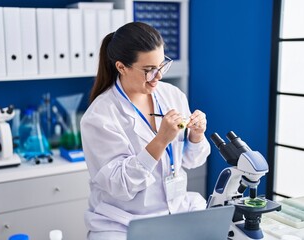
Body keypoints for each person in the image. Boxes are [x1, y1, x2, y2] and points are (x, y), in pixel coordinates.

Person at [80, 22, 211, 240]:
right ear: (121, 67)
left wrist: (196, 136)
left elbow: (190, 161)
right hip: (122, 223)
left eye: (161, 66)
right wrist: (160, 142)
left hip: (174, 213)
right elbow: (120, 186)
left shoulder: (172, 95)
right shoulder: (99, 116)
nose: (158, 77)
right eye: (149, 70)